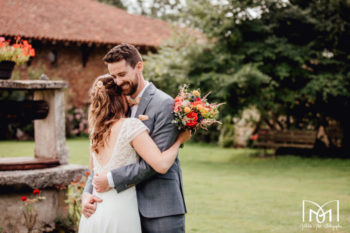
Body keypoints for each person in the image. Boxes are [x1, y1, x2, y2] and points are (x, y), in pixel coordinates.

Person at [82, 44, 188, 233]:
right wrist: (87, 193)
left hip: (158, 208)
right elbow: (99, 159)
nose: (117, 81)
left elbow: (155, 163)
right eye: (113, 76)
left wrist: (111, 179)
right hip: (120, 208)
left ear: (139, 67)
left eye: (122, 75)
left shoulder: (163, 104)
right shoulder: (115, 103)